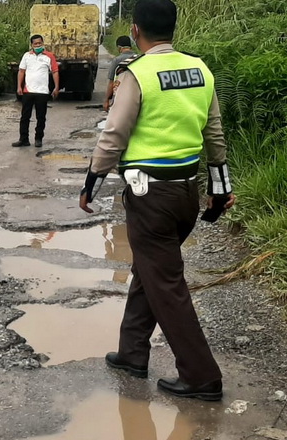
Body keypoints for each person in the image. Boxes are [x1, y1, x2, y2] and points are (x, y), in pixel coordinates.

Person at [79, 0, 236, 401]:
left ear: (135, 31)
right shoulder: (200, 69)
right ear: (174, 28)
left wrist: (92, 182)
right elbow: (214, 135)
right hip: (186, 192)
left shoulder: (138, 72)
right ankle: (132, 353)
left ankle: (202, 377)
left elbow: (113, 134)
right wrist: (219, 189)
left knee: (166, 283)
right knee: (150, 270)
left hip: (151, 196)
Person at [13, 34, 59, 148]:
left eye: (39, 43)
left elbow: (55, 72)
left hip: (42, 92)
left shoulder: (49, 56)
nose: (38, 45)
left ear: (43, 43)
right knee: (25, 117)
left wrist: (56, 87)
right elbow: (21, 71)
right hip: (28, 91)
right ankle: (23, 139)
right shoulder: (27, 56)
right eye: (35, 44)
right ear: (32, 45)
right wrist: (19, 86)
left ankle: (38, 139)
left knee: (41, 117)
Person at [103, 36, 137, 112]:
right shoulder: (138, 58)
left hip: (120, 97)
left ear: (119, 47)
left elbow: (111, 82)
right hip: (136, 96)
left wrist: (106, 100)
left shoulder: (117, 60)